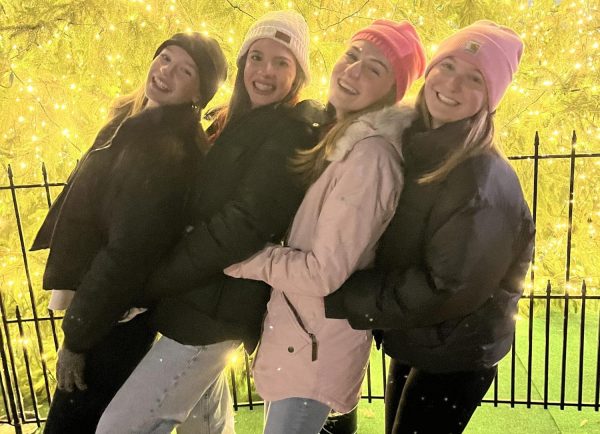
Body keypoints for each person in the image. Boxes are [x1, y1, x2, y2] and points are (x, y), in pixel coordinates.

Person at [95, 10, 324, 434]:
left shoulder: (289, 132)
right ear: (242, 64)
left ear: (298, 76)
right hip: (200, 300)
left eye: (281, 62)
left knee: (120, 427)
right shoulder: (234, 121)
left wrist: (155, 281)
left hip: (214, 310)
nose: (265, 72)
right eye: (257, 57)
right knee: (207, 426)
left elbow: (239, 226)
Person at [324, 20, 535, 433]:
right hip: (422, 336)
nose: (453, 85)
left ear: (491, 99)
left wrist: (347, 295)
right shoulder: (418, 144)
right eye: (449, 66)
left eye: (475, 78)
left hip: (456, 353)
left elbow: (447, 287)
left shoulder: (477, 178)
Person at [224, 19, 426, 434]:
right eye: (352, 56)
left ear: (392, 91)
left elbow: (322, 272)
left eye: (374, 69)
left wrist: (244, 259)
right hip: (302, 339)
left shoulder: (369, 160)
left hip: (314, 347)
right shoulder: (340, 139)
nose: (352, 71)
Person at [30, 33, 227, 434]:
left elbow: (126, 254)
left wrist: (77, 338)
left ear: (198, 93)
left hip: (115, 319)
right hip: (108, 311)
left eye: (185, 70)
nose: (166, 71)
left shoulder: (165, 150)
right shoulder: (134, 124)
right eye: (165, 57)